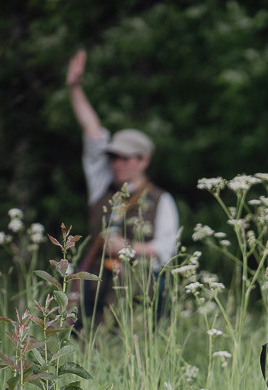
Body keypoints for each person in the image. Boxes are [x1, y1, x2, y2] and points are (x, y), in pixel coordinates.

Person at [66, 49, 179, 331]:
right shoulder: (101, 185)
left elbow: (167, 248)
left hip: (139, 287)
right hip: (95, 281)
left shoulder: (162, 200)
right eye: (114, 157)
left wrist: (129, 249)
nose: (118, 164)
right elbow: (93, 134)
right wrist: (75, 88)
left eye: (126, 158)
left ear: (144, 160)